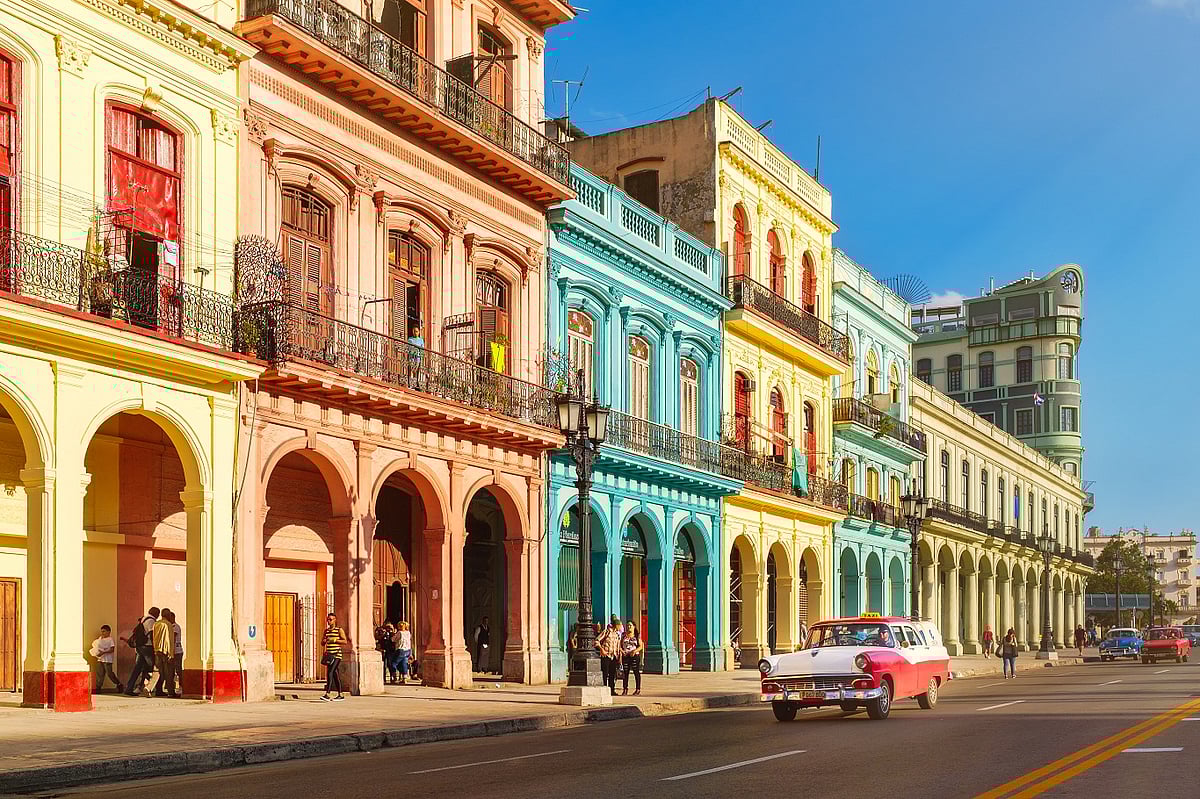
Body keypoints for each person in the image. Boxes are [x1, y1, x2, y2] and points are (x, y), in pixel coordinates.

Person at [121, 607, 159, 697]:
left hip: (140, 647)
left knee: (137, 668)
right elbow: (151, 634)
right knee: (154, 667)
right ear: (156, 614)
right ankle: (150, 687)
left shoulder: (143, 619)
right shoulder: (151, 621)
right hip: (147, 647)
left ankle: (129, 688)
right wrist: (155, 646)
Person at [151, 608, 178, 698]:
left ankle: (158, 690)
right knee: (169, 673)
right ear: (168, 615)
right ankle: (171, 692)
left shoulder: (156, 624)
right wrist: (171, 654)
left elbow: (153, 637)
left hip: (157, 650)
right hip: (166, 651)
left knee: (159, 671)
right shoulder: (168, 625)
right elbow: (169, 640)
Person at [321, 613, 347, 701]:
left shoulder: (339, 630)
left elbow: (345, 641)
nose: (329, 621)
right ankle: (340, 694)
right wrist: (324, 641)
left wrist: (335, 640)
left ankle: (327, 694)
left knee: (330, 672)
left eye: (331, 619)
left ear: (335, 620)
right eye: (328, 619)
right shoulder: (326, 631)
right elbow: (322, 643)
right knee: (335, 674)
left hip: (337, 655)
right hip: (329, 655)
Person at [90, 625, 123, 694]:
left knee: (109, 673)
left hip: (108, 660)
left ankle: (119, 684)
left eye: (104, 631)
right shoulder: (100, 639)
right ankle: (98, 688)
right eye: (102, 631)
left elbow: (112, 649)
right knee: (100, 674)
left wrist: (103, 652)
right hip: (100, 659)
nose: (102, 633)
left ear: (108, 632)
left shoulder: (110, 639)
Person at [620, 621, 644, 696]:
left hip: (634, 656)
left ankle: (637, 689)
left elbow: (641, 646)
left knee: (636, 672)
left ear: (634, 627)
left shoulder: (636, 636)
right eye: (627, 625)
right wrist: (622, 651)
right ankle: (625, 689)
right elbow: (619, 645)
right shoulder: (623, 635)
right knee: (625, 672)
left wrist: (635, 651)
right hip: (625, 656)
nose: (629, 627)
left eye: (630, 625)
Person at [596, 621, 619, 695]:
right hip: (606, 655)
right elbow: (597, 641)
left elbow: (618, 645)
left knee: (612, 674)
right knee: (605, 673)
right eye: (619, 625)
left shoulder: (617, 634)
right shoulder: (606, 632)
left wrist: (618, 655)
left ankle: (612, 689)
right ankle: (604, 688)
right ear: (616, 625)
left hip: (613, 656)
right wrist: (602, 650)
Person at [169, 610, 184, 696]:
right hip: (173, 651)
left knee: (178, 670)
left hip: (177, 651)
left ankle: (181, 686)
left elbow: (173, 638)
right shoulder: (170, 626)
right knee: (171, 670)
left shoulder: (175, 627)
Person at [394, 621, 412, 685]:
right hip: (408, 650)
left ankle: (394, 676)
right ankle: (404, 677)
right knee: (404, 663)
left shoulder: (399, 633)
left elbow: (393, 639)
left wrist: (393, 634)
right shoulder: (408, 633)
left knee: (394, 664)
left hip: (401, 650)